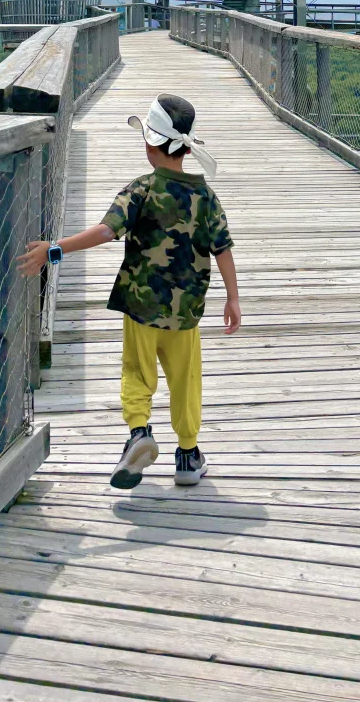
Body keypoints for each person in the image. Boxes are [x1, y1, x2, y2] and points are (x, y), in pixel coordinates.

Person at [18, 93, 240, 489]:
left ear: (151, 144)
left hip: (142, 305)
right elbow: (222, 248)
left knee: (137, 372)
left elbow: (106, 231)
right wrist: (233, 297)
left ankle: (139, 432)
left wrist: (55, 249)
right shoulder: (205, 196)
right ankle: (188, 455)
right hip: (185, 311)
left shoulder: (141, 189)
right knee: (185, 380)